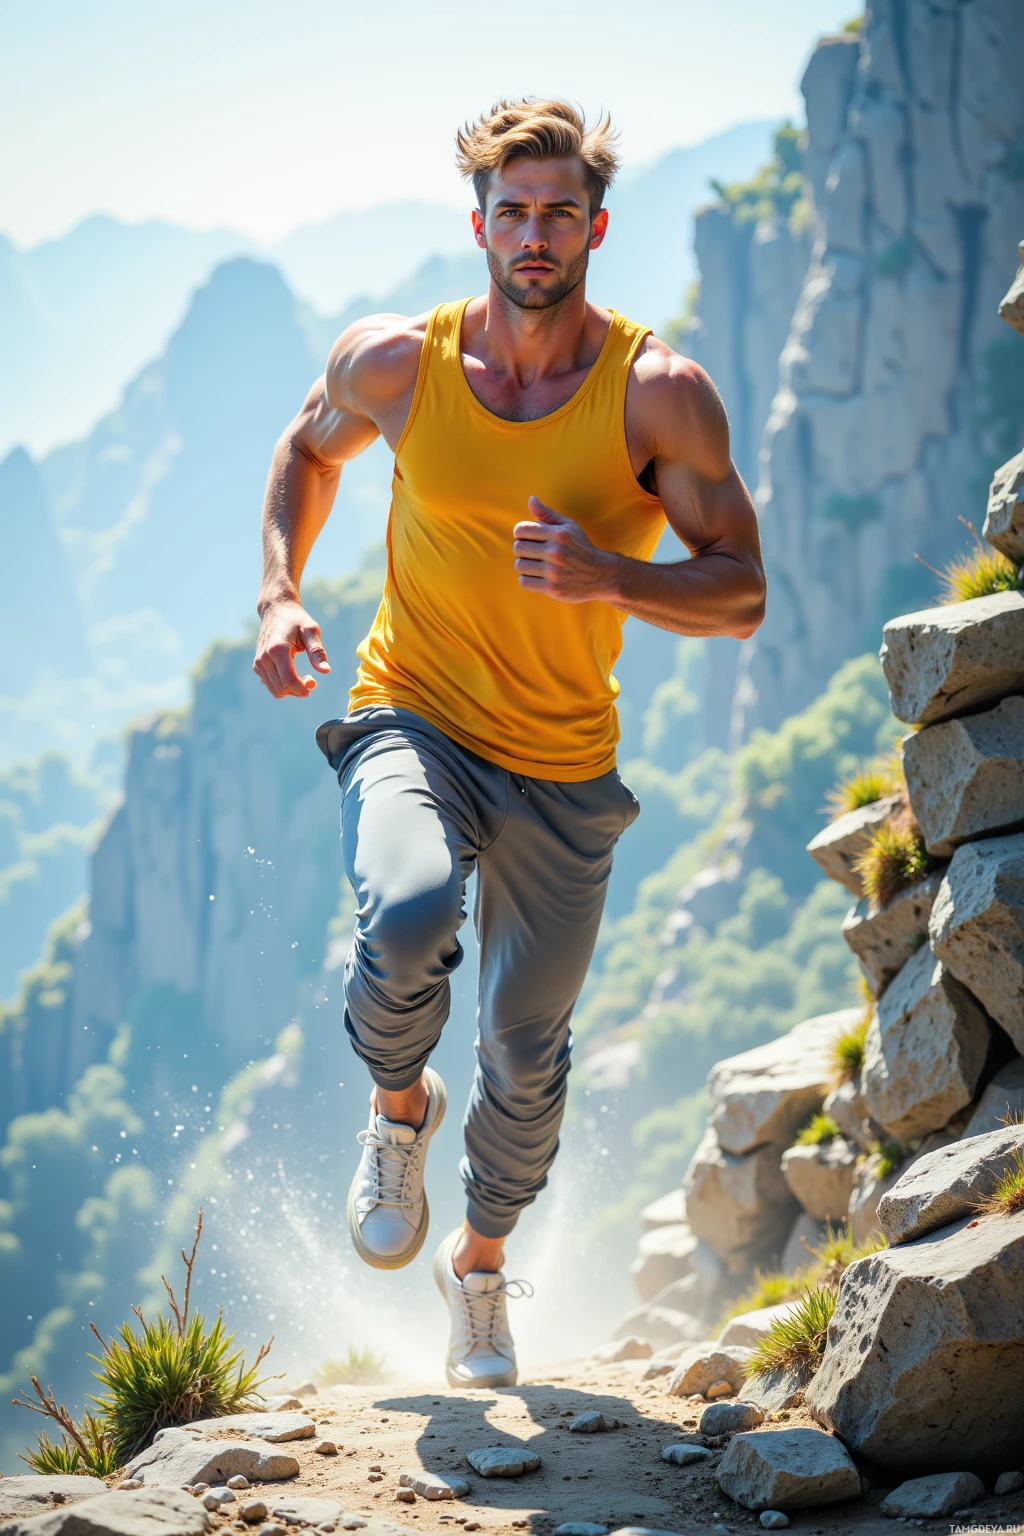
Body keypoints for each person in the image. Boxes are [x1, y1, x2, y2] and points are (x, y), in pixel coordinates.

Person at [253, 98, 765, 1388]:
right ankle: (394, 1112)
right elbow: (304, 454)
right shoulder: (400, 366)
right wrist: (279, 591)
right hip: (411, 708)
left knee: (527, 1056)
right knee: (408, 917)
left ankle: (477, 1271)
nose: (534, 234)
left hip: (564, 759)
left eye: (558, 213)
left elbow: (742, 588)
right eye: (512, 210)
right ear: (479, 223)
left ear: (596, 228)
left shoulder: (660, 397)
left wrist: (608, 576)